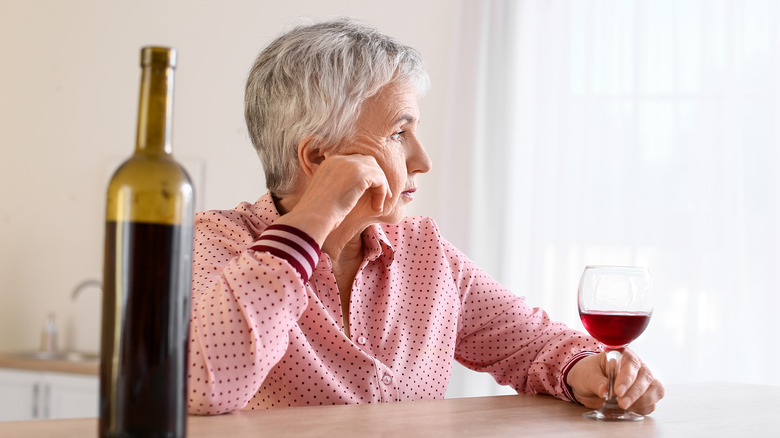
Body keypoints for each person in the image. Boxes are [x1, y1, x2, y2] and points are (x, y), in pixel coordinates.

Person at [187, 17, 664, 415]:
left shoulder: (424, 254)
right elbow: (205, 386)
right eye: (399, 133)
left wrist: (590, 371)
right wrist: (315, 215)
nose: (423, 160)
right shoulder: (215, 244)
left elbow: (532, 345)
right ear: (317, 158)